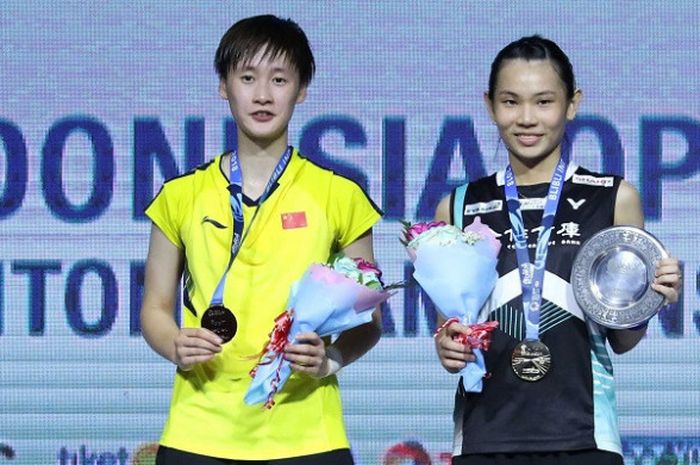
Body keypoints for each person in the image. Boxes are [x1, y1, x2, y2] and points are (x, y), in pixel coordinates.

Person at [140, 15, 382, 465]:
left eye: (279, 79)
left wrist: (330, 360)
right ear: (223, 86)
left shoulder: (339, 196)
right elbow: (154, 307)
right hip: (199, 432)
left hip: (308, 434)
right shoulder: (179, 196)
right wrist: (174, 342)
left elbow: (370, 317)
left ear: (302, 89)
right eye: (247, 77)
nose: (263, 94)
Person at [433, 35, 682, 465]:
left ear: (572, 104)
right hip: (483, 439)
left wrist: (649, 299)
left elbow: (623, 339)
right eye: (511, 102)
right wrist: (447, 345)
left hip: (584, 438)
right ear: (490, 105)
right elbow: (451, 330)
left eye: (544, 102)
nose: (527, 118)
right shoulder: (457, 206)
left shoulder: (613, 197)